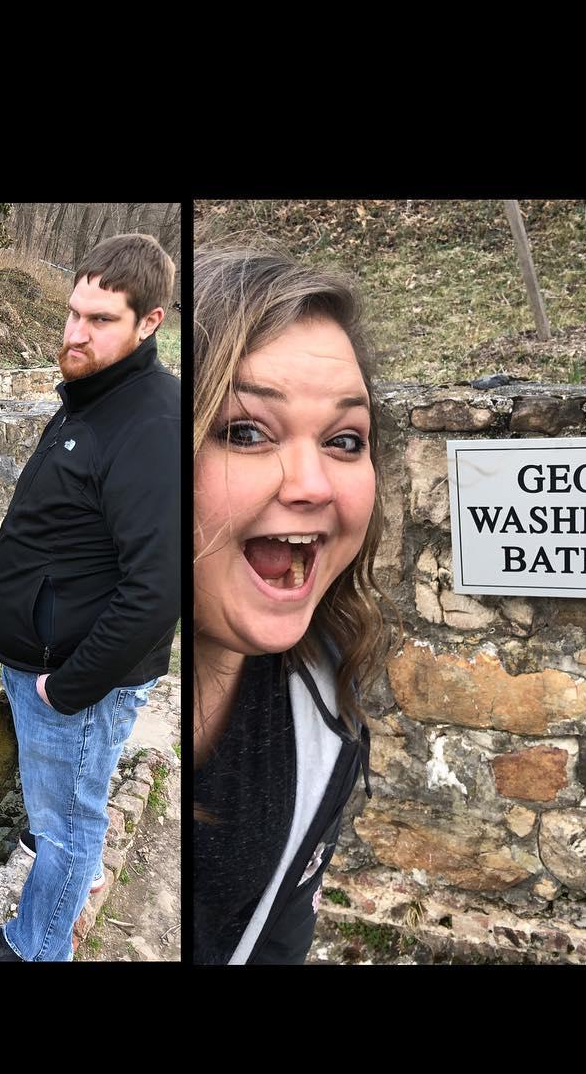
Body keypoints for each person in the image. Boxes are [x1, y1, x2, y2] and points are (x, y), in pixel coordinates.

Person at [0, 233, 180, 961]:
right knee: (65, 812)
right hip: (49, 661)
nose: (75, 333)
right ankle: (67, 860)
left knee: (70, 826)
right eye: (73, 312)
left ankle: (35, 946)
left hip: (73, 679)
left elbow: (157, 588)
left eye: (100, 320)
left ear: (150, 321)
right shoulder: (96, 392)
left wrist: (69, 688)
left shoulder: (149, 425)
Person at [193, 244, 392, 964]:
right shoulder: (78, 683)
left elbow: (281, 934)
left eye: (345, 440)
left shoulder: (325, 703)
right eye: (245, 431)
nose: (312, 484)